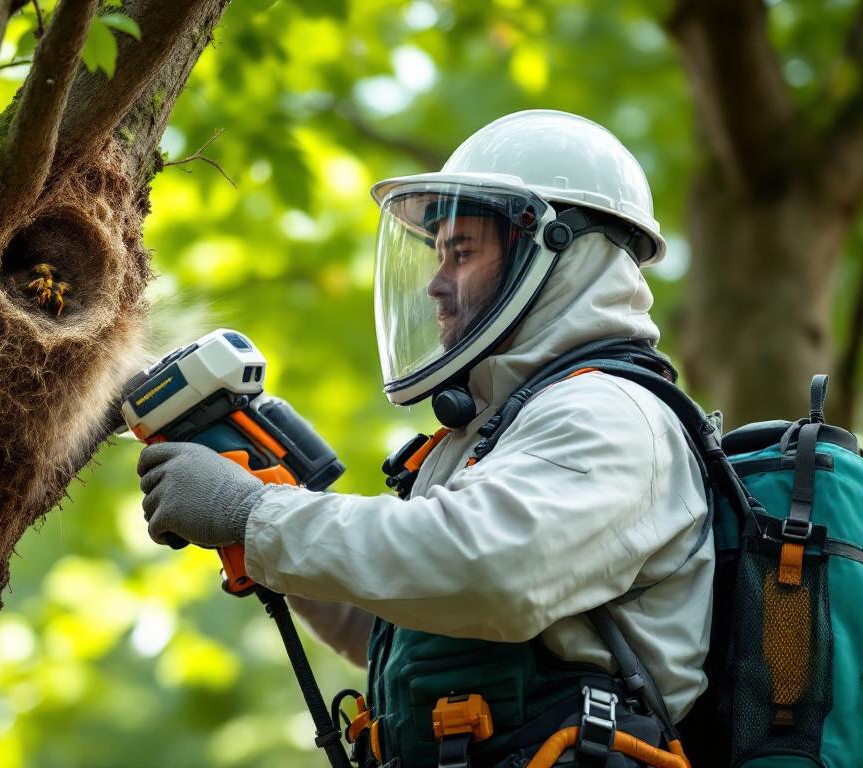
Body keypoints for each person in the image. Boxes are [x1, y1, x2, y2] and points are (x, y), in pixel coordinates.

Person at [136, 110, 713, 767]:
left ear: (553, 249)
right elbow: (401, 624)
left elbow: (489, 572)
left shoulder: (606, 413)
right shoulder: (494, 430)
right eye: (437, 254)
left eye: (461, 252)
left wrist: (254, 512)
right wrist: (262, 515)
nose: (437, 285)